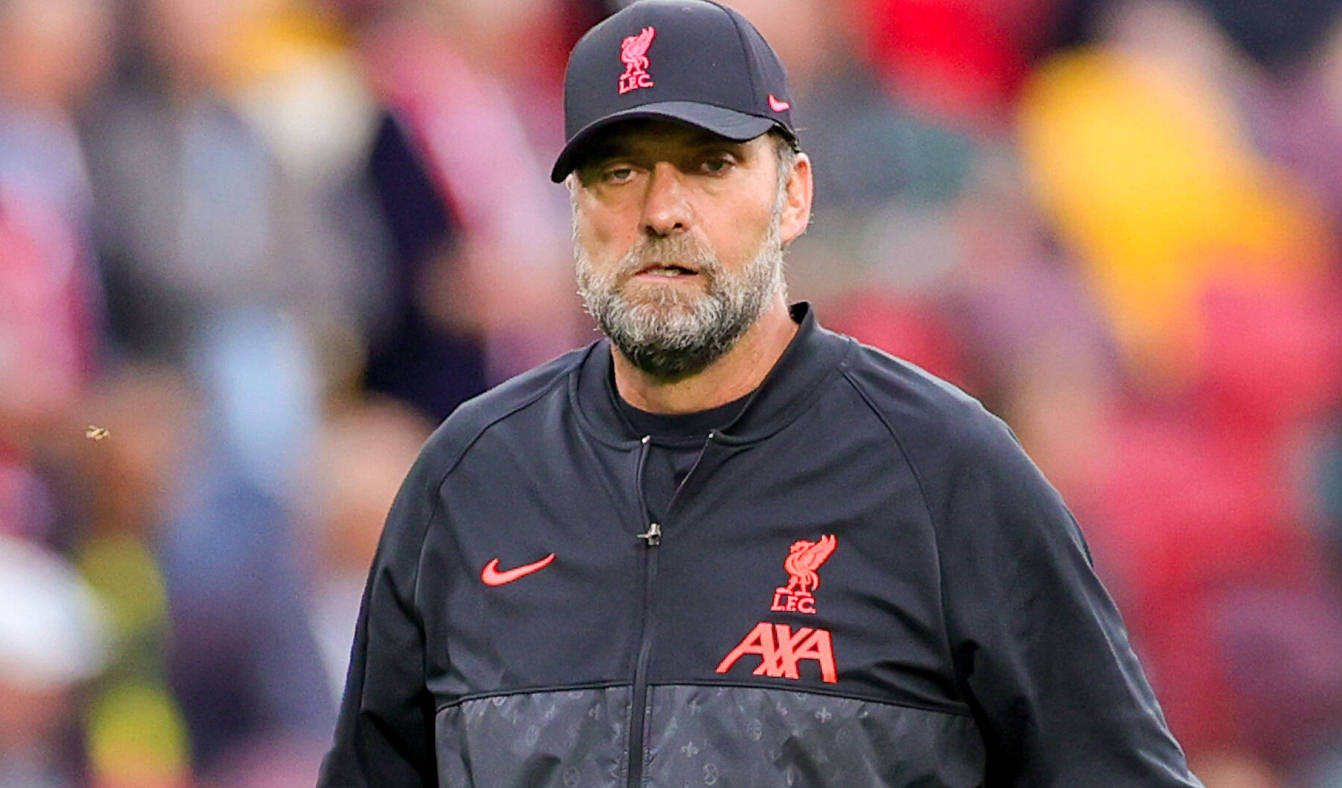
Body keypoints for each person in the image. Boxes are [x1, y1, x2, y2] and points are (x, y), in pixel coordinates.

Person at [320, 1, 1203, 785]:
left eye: (710, 165)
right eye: (620, 171)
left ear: (794, 198)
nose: (662, 210)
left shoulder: (946, 474)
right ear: (575, 209)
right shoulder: (471, 480)